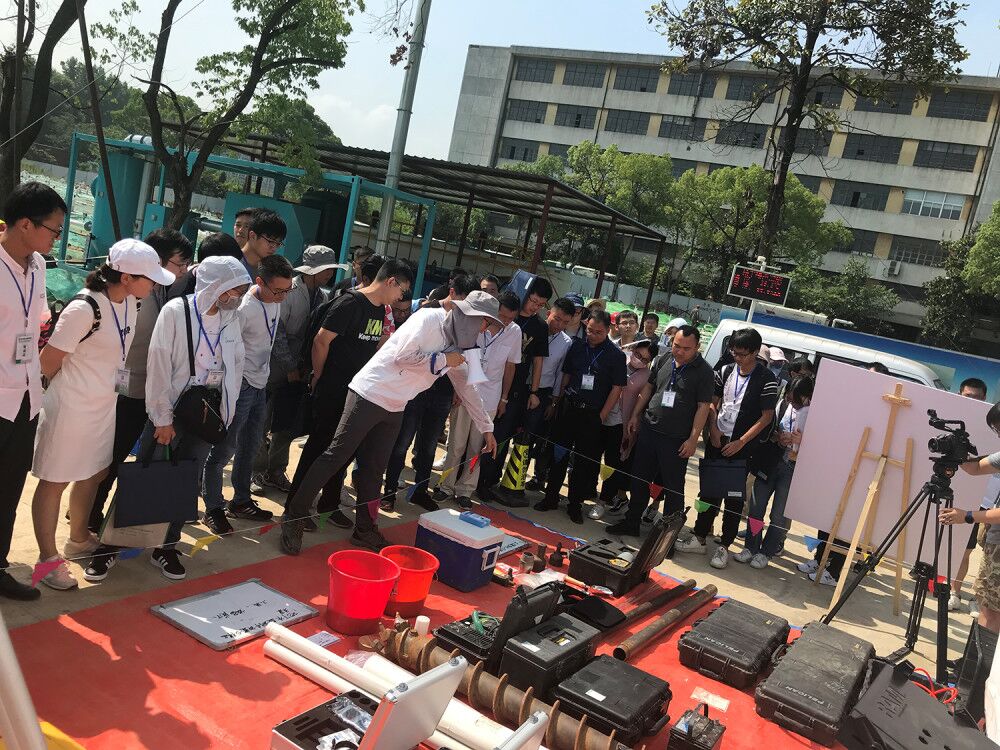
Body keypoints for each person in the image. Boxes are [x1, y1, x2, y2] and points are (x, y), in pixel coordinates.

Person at [281, 291, 501, 555]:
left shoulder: (463, 347)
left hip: (396, 405)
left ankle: (365, 530)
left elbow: (468, 387)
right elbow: (402, 356)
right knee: (335, 455)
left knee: (375, 470)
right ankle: (294, 517)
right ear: (467, 315)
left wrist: (486, 427)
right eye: (485, 322)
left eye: (489, 324)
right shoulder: (428, 320)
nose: (484, 329)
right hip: (369, 393)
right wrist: (443, 360)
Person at [33, 239, 174, 590]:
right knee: (54, 481)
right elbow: (48, 363)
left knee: (95, 473)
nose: (155, 285)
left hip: (104, 405)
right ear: (126, 277)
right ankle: (47, 560)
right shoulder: (85, 308)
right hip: (71, 408)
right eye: (150, 278)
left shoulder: (130, 303)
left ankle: (78, 538)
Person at [116, 256, 251, 582]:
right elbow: (159, 364)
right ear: (216, 285)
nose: (237, 296)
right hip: (173, 409)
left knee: (185, 478)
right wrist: (162, 418)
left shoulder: (232, 318)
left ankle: (166, 546)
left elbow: (236, 363)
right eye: (234, 289)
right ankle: (116, 544)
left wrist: (227, 413)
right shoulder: (177, 312)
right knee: (150, 473)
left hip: (207, 413)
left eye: (241, 290)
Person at [289, 258, 413, 529]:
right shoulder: (349, 303)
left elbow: (376, 346)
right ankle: (295, 509)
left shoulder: (379, 310)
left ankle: (328, 506)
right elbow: (321, 341)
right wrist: (319, 376)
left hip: (357, 391)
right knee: (319, 448)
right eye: (401, 290)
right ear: (391, 281)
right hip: (332, 388)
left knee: (343, 452)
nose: (400, 297)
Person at [88, 229, 195, 536]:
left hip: (145, 390)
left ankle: (94, 509)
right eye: (179, 263)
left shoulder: (160, 291)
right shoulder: (131, 296)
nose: (183, 271)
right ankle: (90, 512)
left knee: (119, 456)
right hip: (124, 389)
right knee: (109, 456)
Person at [0, 182, 66, 600]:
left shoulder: (38, 265)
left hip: (25, 396)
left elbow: (36, 320)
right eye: (53, 230)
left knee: (9, 486)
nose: (57, 238)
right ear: (25, 224)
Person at [201, 255, 295, 534]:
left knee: (251, 445)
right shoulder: (243, 308)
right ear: (259, 282)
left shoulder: (275, 300)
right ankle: (213, 508)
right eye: (277, 291)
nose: (282, 296)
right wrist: (228, 387)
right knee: (224, 449)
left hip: (260, 383)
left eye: (287, 290)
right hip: (239, 385)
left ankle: (240, 501)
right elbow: (225, 348)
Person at [675, 327, 778, 569]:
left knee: (733, 498)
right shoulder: (725, 370)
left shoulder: (767, 379)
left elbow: (766, 417)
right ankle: (700, 536)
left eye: (743, 354)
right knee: (709, 491)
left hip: (743, 446)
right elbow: (712, 403)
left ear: (755, 352)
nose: (737, 357)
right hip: (718, 439)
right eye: (734, 352)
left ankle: (724, 545)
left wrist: (742, 441)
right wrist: (713, 429)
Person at [608, 325, 714, 538]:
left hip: (676, 439)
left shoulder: (704, 371)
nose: (680, 351)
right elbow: (649, 387)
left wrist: (693, 439)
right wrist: (636, 415)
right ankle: (632, 522)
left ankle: (666, 537)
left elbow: (703, 407)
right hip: (649, 429)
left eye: (686, 348)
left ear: (697, 347)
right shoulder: (665, 359)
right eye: (676, 346)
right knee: (639, 479)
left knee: (673, 488)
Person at [251, 246, 340, 493]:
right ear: (312, 271)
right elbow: (277, 332)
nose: (330, 273)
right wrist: (289, 365)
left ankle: (276, 470)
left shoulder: (323, 297)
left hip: (300, 370)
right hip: (274, 367)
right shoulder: (289, 291)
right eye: (326, 269)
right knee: (261, 420)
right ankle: (255, 471)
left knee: (286, 424)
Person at [384, 273, 477, 509]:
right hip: (415, 388)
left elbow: (466, 361)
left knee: (428, 446)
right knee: (402, 442)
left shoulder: (467, 323)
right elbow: (408, 354)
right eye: (464, 300)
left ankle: (419, 491)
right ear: (452, 292)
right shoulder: (427, 313)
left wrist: (459, 388)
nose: (467, 308)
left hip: (442, 391)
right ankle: (389, 492)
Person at [536, 310, 626, 524]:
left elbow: (617, 388)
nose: (592, 335)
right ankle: (550, 497)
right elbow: (566, 375)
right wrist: (557, 401)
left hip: (592, 415)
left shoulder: (616, 356)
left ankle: (574, 504)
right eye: (590, 330)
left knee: (583, 462)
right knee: (558, 455)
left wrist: (602, 415)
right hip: (568, 408)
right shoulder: (577, 346)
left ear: (608, 330)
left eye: (598, 332)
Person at [435, 291, 521, 509]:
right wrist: (458, 389)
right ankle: (445, 486)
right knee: (456, 444)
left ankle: (466, 490)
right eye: (502, 316)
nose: (505, 321)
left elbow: (511, 366)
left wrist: (504, 398)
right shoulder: (475, 325)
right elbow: (461, 355)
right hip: (464, 392)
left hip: (490, 397)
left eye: (510, 318)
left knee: (477, 447)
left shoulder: (515, 332)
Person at [480, 276, 553, 506]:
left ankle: (487, 482)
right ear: (525, 294)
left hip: (515, 390)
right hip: (487, 381)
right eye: (533, 301)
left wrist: (534, 392)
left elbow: (538, 361)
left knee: (500, 437)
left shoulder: (540, 326)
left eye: (541, 305)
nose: (535, 307)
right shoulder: (505, 312)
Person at [735, 375, 814, 569]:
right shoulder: (782, 405)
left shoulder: (817, 415)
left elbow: (821, 448)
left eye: (798, 401)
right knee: (756, 507)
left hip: (793, 469)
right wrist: (779, 437)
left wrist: (803, 441)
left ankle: (766, 552)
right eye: (790, 399)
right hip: (770, 462)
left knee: (779, 515)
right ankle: (751, 547)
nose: (793, 404)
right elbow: (768, 431)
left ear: (808, 397)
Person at [943, 401, 1000, 634]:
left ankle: (980, 657)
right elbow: (976, 468)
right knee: (987, 605)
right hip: (995, 543)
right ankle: (978, 654)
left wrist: (966, 516)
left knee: (991, 612)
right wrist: (957, 452)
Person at [595, 338, 658, 516]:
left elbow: (642, 400)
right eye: (637, 354)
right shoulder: (620, 359)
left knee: (613, 463)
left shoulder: (647, 376)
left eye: (645, 359)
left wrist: (634, 420)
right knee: (593, 455)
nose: (639, 359)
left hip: (621, 422)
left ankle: (603, 501)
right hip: (602, 414)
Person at [526, 298, 575, 490]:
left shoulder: (566, 342)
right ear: (548, 313)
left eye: (565, 322)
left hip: (544, 393)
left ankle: (525, 480)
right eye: (557, 319)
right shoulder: (533, 328)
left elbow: (560, 374)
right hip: (522, 387)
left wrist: (554, 402)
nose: (559, 325)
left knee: (531, 438)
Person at [951, 377, 989, 613]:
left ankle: (980, 597)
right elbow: (973, 467)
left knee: (986, 552)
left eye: (977, 398)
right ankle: (954, 592)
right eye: (968, 396)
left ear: (985, 399)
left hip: (988, 500)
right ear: (960, 394)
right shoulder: (953, 420)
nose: (973, 401)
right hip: (963, 493)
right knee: (961, 548)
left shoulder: (991, 425)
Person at [240, 210, 286, 280]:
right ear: (253, 236)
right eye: (270, 241)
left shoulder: (270, 272)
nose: (274, 248)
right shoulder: (231, 264)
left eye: (278, 243)